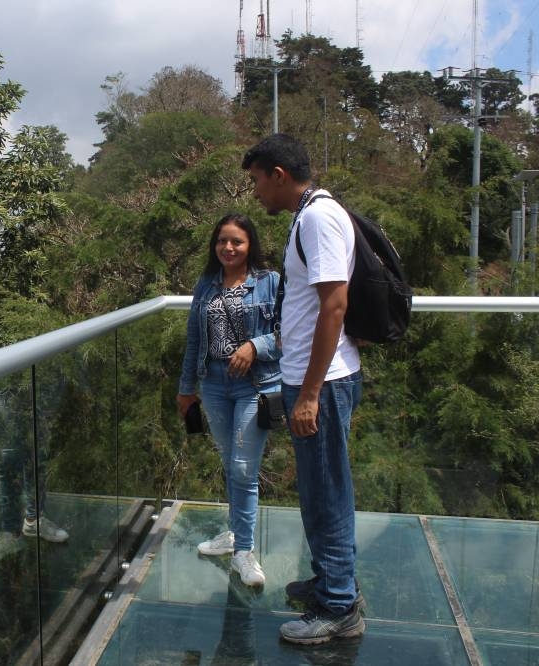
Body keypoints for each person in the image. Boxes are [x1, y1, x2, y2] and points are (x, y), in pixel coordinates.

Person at [241, 133, 365, 644]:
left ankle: (339, 606)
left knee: (327, 490)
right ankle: (329, 581)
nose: (256, 194)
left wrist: (310, 392)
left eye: (257, 182)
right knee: (316, 489)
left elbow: (334, 304)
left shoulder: (317, 218)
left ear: (279, 175)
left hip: (324, 380)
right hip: (314, 376)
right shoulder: (311, 215)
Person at [177, 213, 282, 587]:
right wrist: (186, 388)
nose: (228, 247)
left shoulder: (270, 283)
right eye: (222, 241)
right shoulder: (206, 285)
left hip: (254, 384)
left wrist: (255, 345)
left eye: (236, 241)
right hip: (214, 384)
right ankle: (236, 534)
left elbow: (289, 333)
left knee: (242, 467)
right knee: (229, 461)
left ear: (250, 244)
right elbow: (193, 340)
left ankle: (245, 553)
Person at [0, 373, 69, 562]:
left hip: (40, 367)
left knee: (36, 449)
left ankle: (33, 520)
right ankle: (11, 533)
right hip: (3, 367)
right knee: (11, 452)